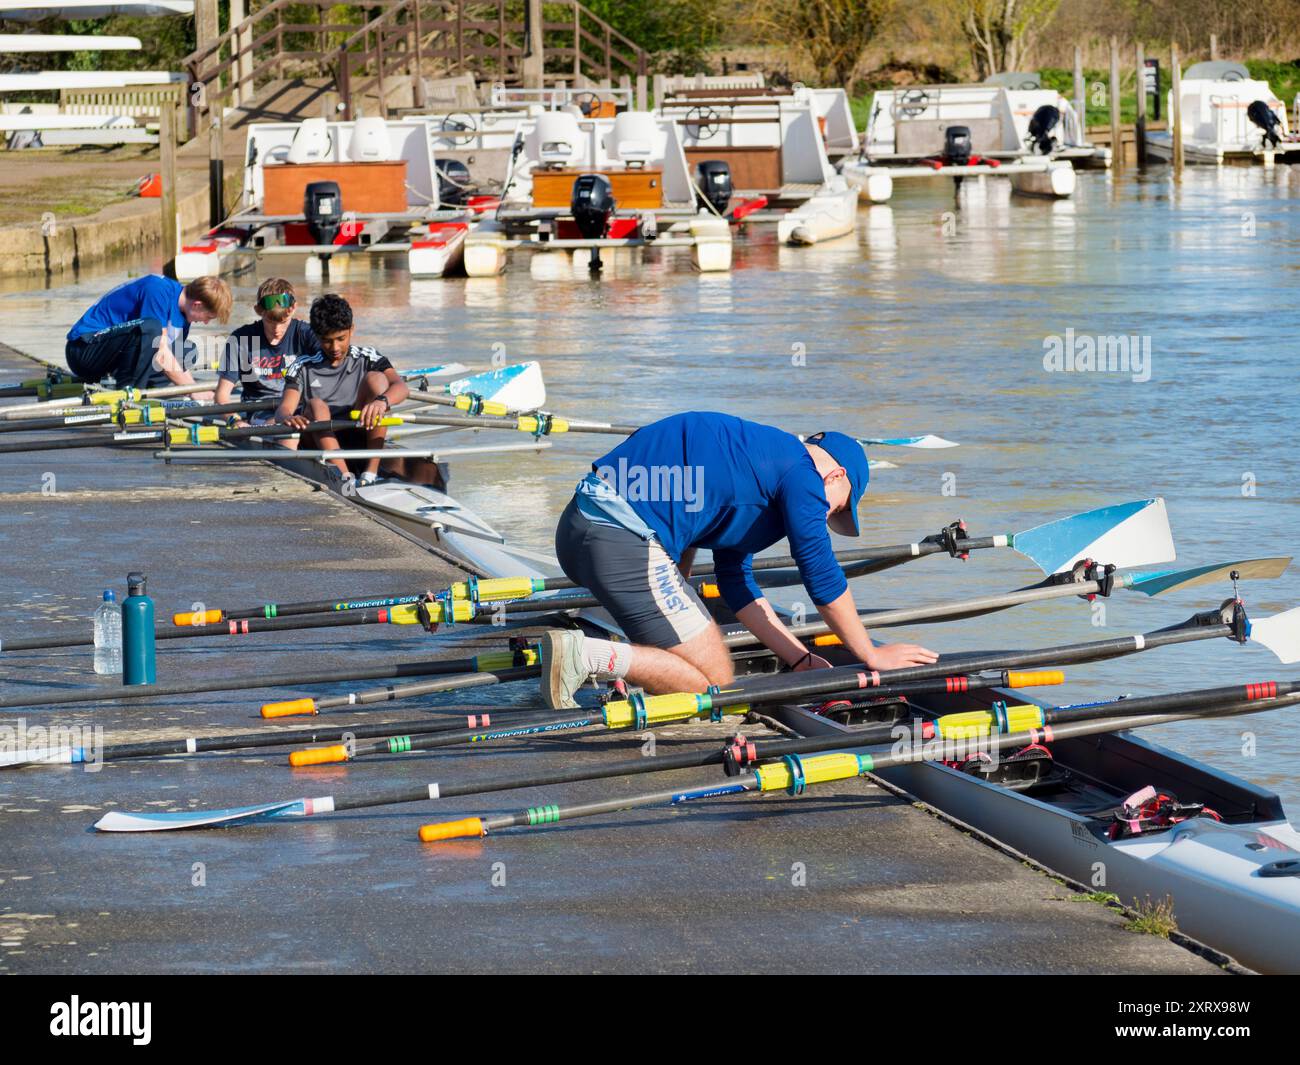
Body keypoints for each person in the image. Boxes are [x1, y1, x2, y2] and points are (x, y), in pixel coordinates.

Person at [540, 411, 939, 709]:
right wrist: (870, 653)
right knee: (715, 684)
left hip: (577, 528)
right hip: (621, 539)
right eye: (841, 508)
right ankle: (586, 654)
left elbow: (735, 580)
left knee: (688, 647)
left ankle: (633, 666)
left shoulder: (758, 462)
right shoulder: (803, 476)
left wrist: (798, 658)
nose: (831, 515)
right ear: (835, 476)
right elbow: (820, 574)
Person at [276, 294, 409, 485]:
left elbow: (401, 387)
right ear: (316, 335)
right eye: (327, 341)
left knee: (378, 379)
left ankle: (370, 473)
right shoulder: (301, 366)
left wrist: (382, 401)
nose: (335, 347)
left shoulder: (368, 357)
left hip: (359, 431)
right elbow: (284, 409)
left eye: (341, 338)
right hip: (318, 438)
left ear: (351, 330)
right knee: (316, 405)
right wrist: (287, 417)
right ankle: (345, 478)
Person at [65, 275, 230, 398]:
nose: (207, 323)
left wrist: (195, 389)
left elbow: (171, 359)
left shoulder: (184, 314)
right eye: (208, 317)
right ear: (197, 305)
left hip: (113, 356)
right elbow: (161, 355)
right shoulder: (157, 289)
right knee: (152, 329)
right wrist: (193, 390)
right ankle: (129, 394)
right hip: (84, 350)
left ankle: (141, 389)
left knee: (186, 352)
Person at [213, 278, 317, 441]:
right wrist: (234, 420)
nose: (277, 329)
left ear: (294, 308)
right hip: (259, 410)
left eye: (283, 321)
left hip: (297, 407)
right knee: (287, 428)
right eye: (270, 321)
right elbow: (221, 396)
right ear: (258, 310)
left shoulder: (307, 334)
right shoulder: (241, 339)